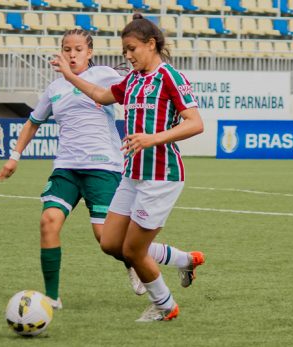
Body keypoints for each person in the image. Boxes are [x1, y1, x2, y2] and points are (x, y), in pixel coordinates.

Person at [0, 29, 202, 310]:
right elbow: (90, 100)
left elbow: (189, 118)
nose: (71, 54)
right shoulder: (64, 88)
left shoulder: (136, 75)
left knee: (118, 242)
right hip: (79, 168)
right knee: (77, 232)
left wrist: (151, 137)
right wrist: (15, 156)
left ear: (89, 52)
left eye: (78, 49)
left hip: (121, 168)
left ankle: (163, 287)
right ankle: (53, 297)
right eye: (66, 49)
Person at [50, 14, 205, 322]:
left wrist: (152, 139)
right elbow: (99, 94)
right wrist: (69, 75)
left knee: (134, 251)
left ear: (151, 44)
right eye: (124, 51)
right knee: (110, 243)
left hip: (161, 176)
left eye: (132, 48)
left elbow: (196, 123)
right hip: (132, 174)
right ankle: (186, 260)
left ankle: (165, 306)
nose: (128, 56)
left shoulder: (170, 77)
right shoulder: (133, 80)